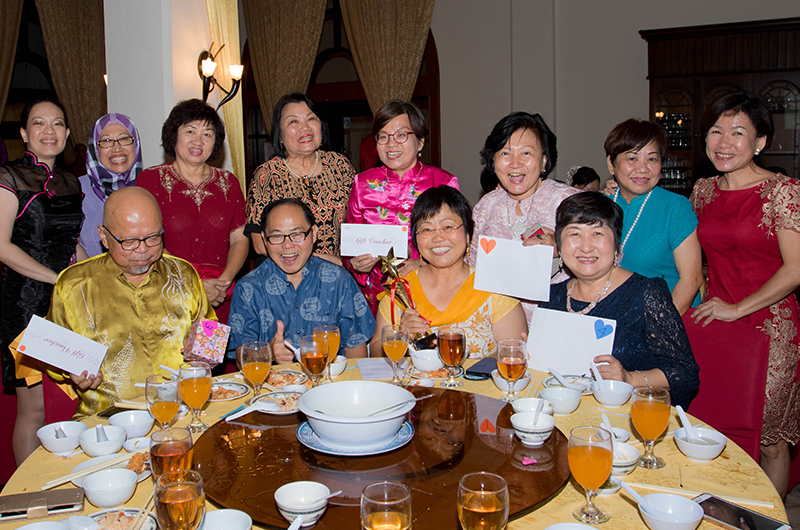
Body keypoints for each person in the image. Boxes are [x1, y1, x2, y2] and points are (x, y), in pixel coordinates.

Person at [688, 92, 800, 497]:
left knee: (771, 440)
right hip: (716, 323)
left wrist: (737, 309)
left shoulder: (782, 192)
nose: (724, 142)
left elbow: (796, 268)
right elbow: (681, 248)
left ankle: (769, 521)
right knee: (716, 431)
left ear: (760, 142)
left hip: (769, 327)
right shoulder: (703, 191)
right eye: (716, 131)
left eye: (738, 132)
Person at [42, 187, 215, 418]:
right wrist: (71, 370)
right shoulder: (74, 285)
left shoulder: (183, 274)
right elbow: (55, 354)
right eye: (129, 242)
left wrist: (204, 354)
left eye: (153, 238)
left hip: (182, 410)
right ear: (104, 236)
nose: (143, 250)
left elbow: (210, 330)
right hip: (108, 421)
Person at [539, 192, 699, 409]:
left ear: (616, 243)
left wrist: (629, 378)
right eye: (574, 234)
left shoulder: (645, 293)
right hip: (562, 415)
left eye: (597, 233)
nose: (586, 247)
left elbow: (684, 373)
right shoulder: (551, 296)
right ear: (559, 242)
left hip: (625, 420)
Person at [0, 97, 83, 465]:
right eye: (38, 123)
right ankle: (27, 503)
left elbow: (74, 241)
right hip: (25, 303)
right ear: (24, 133)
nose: (49, 131)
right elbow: (1, 246)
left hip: (65, 303)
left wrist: (88, 279)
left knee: (66, 402)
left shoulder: (70, 181)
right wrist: (55, 278)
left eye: (57, 124)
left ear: (66, 133)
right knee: (33, 408)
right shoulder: (8, 177)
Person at [372, 186, 527, 358]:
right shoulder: (400, 291)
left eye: (448, 226)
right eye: (426, 229)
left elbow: (514, 354)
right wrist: (400, 337)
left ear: (468, 234)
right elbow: (375, 354)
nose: (438, 237)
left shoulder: (495, 288)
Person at [137, 99, 247, 324]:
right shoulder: (150, 180)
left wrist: (223, 283)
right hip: (169, 294)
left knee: (214, 358)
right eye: (190, 131)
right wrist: (195, 284)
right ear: (173, 135)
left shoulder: (229, 182)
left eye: (208, 134)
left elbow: (239, 239)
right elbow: (146, 241)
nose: (199, 140)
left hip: (219, 297)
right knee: (172, 358)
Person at [346, 100, 460, 313]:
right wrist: (356, 265)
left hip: (430, 290)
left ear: (420, 141)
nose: (391, 144)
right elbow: (349, 249)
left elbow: (458, 243)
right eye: (383, 136)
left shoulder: (443, 183)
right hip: (374, 299)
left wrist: (423, 263)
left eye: (401, 135)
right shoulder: (361, 184)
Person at [228, 198, 375, 364]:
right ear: (264, 238)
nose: (287, 245)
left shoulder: (339, 280)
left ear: (314, 233)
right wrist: (268, 352)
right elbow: (241, 358)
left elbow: (356, 350)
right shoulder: (248, 287)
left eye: (297, 234)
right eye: (276, 236)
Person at [470, 112, 580, 323]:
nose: (515, 164)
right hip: (496, 326)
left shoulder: (568, 202)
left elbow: (610, 258)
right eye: (505, 154)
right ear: (493, 161)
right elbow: (473, 268)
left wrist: (562, 249)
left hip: (556, 324)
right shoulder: (487, 205)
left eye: (526, 153)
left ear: (544, 160)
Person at [603, 119, 702, 314]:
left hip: (667, 317)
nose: (642, 168)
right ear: (611, 164)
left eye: (652, 159)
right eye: (632, 158)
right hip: (612, 318)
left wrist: (659, 328)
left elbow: (692, 279)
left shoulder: (675, 207)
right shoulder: (600, 205)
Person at [246, 93, 355, 262]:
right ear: (280, 135)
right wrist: (323, 261)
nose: (305, 128)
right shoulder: (267, 175)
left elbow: (360, 221)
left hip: (339, 276)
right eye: (293, 121)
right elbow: (260, 244)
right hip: (289, 275)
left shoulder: (340, 165)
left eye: (311, 119)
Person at [79, 113, 143, 257]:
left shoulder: (150, 187)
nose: (117, 148)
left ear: (136, 144)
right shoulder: (76, 190)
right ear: (95, 149)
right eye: (106, 140)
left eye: (124, 139)